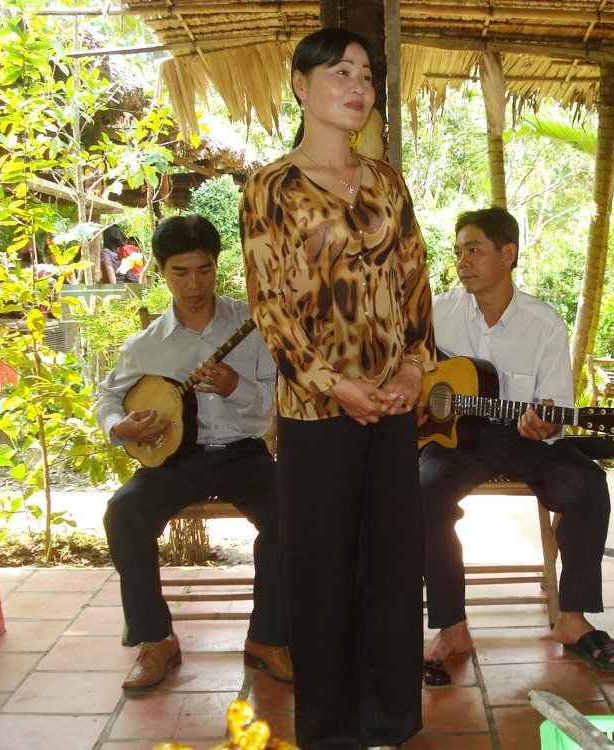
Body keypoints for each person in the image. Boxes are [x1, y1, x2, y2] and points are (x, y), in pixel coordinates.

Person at [239, 28, 435, 750]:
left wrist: (415, 369)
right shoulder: (271, 187)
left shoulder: (387, 182)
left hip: (391, 405)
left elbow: (415, 284)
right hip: (316, 412)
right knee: (320, 573)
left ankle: (389, 719)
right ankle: (329, 732)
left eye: (367, 74)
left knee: (393, 564)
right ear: (300, 85)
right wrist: (335, 384)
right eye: (340, 72)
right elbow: (271, 309)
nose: (359, 86)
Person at [420, 206, 614, 675]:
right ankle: (451, 624)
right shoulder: (437, 314)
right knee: (422, 492)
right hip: (454, 438)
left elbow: (554, 403)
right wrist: (424, 392)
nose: (462, 261)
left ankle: (573, 619)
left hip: (521, 437)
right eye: (458, 252)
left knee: (587, 485)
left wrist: (548, 423)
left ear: (509, 253)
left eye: (474, 249)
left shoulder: (544, 323)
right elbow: (409, 364)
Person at [96, 214, 292, 692]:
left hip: (243, 454)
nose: (193, 284)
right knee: (124, 512)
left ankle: (267, 639)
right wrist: (119, 426)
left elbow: (277, 401)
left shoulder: (253, 322)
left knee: (294, 510)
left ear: (216, 265)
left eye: (203, 270)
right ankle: (157, 640)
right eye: (179, 272)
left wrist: (236, 387)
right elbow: (106, 398)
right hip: (177, 460)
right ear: (160, 272)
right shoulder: (147, 344)